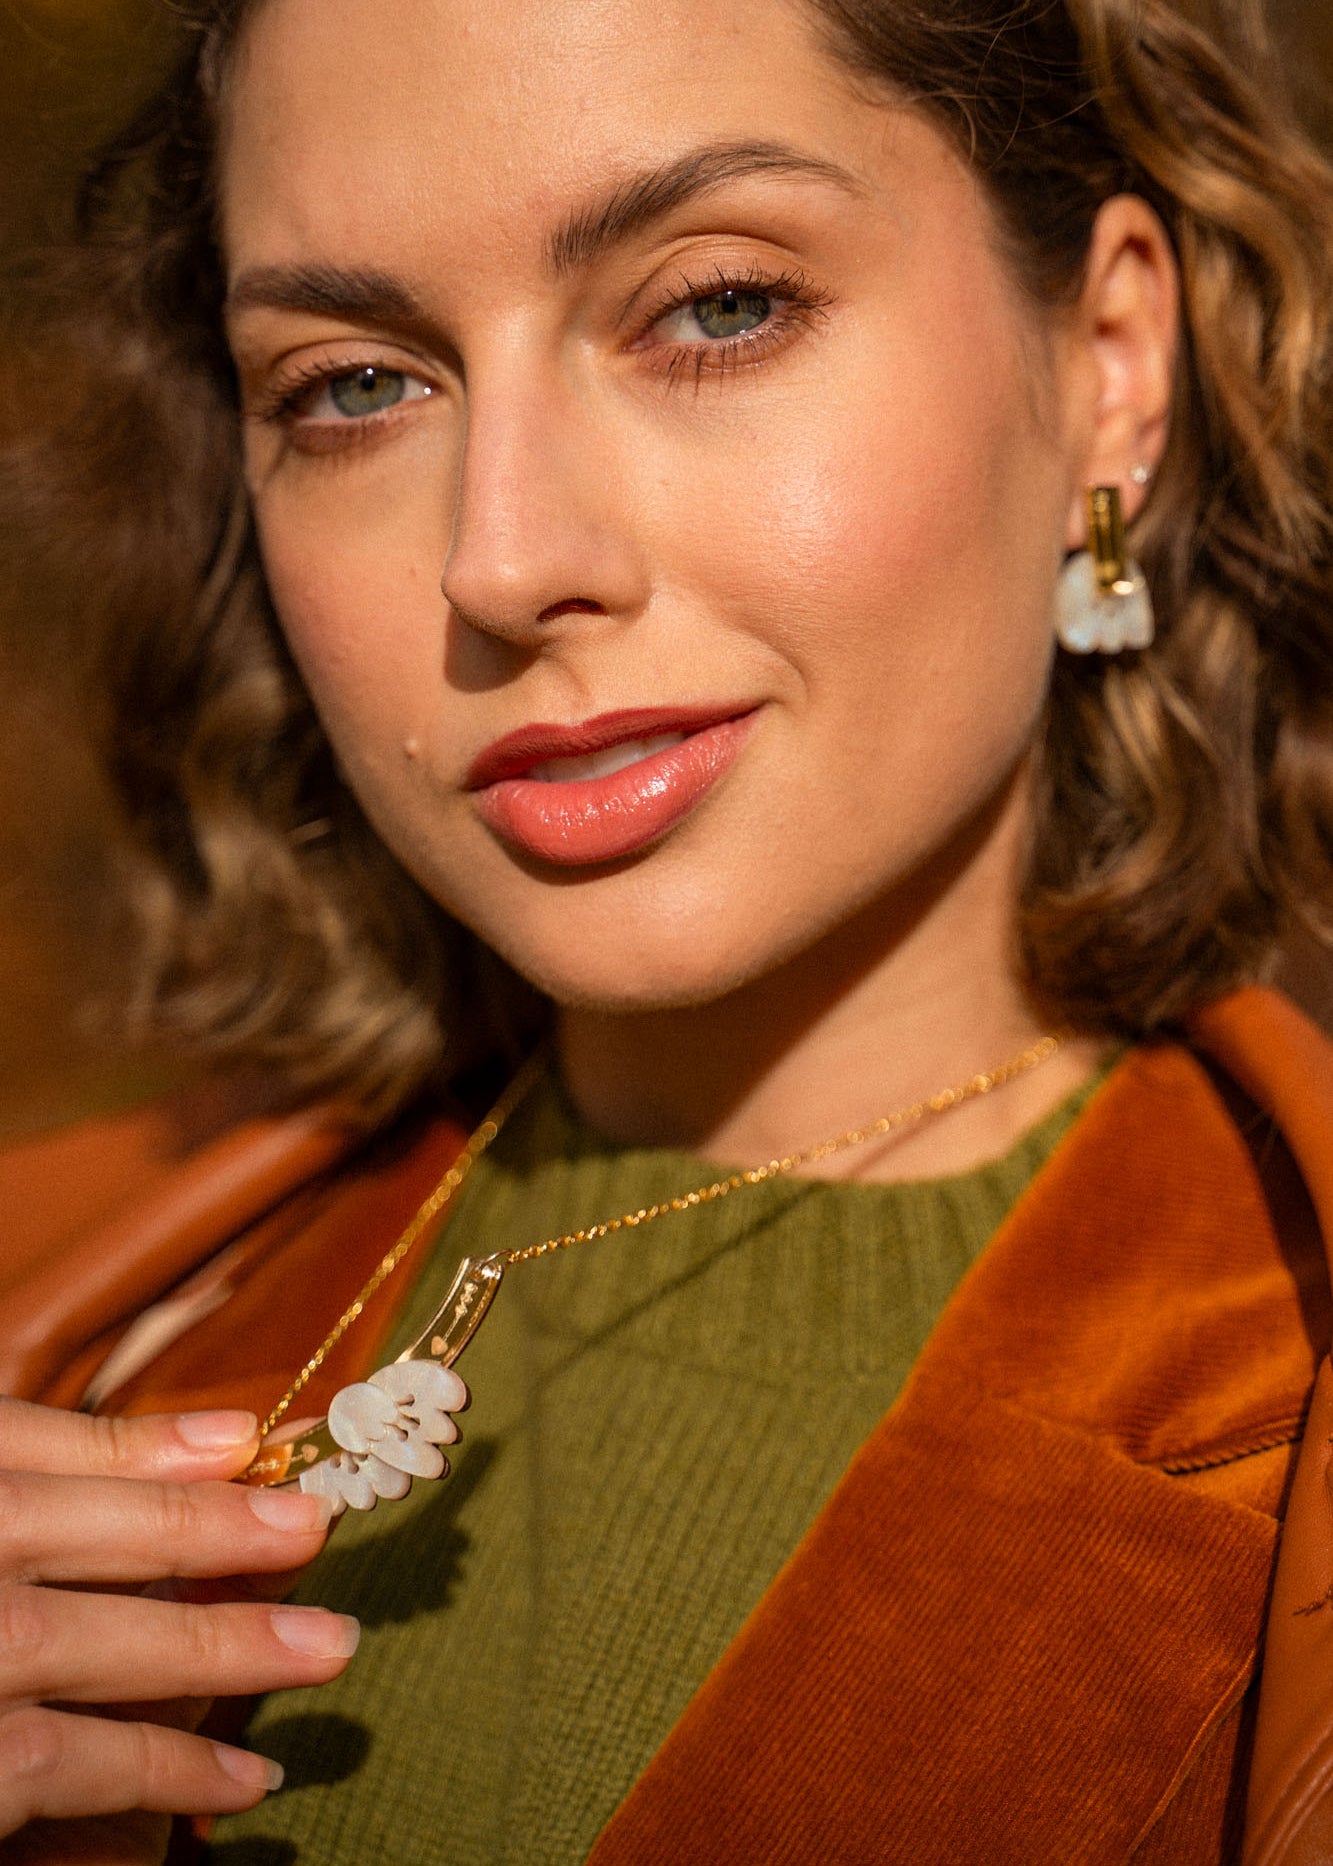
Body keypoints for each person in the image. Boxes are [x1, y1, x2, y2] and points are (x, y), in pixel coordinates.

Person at [1, 0, 1332, 1858]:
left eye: (716, 307)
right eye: (354, 386)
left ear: (1109, 364)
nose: (503, 558)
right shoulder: (63, 1297)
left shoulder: (1284, 1430)